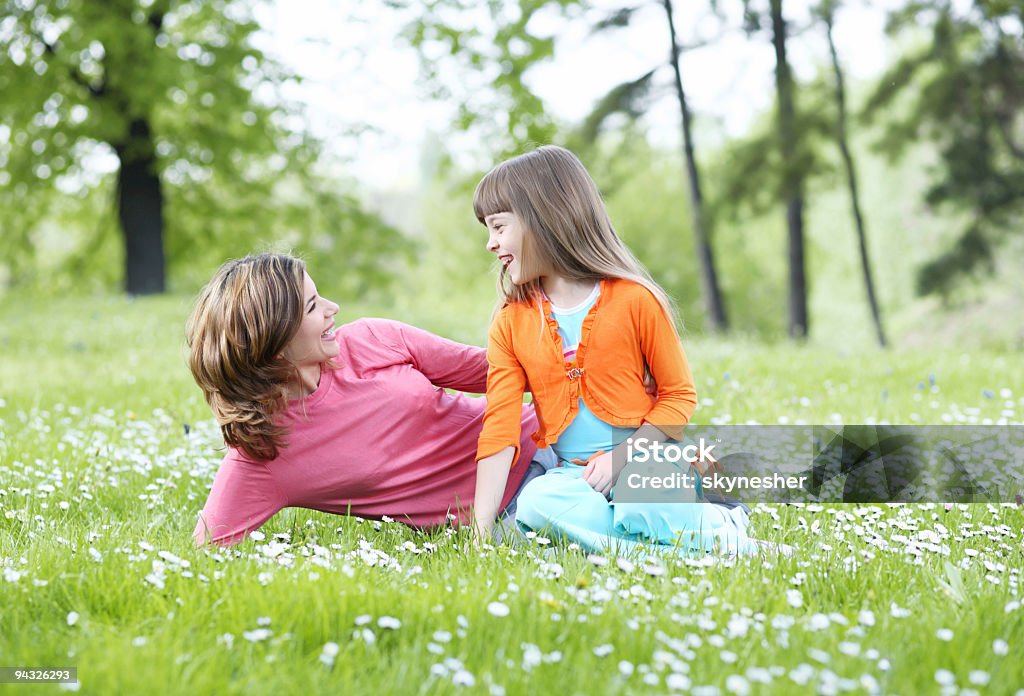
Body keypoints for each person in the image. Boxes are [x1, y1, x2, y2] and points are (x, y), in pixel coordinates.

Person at [471, 145, 757, 555]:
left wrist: (620, 459)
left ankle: (722, 523)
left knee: (642, 501)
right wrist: (481, 530)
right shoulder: (510, 321)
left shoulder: (635, 299)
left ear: (543, 216)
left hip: (648, 461)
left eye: (499, 228)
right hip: (575, 477)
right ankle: (688, 548)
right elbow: (499, 428)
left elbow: (679, 396)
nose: (491, 244)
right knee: (537, 503)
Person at [186, 252, 554, 547]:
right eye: (313, 306)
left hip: (548, 440)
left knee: (611, 457)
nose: (333, 308)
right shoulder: (263, 454)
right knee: (581, 520)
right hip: (506, 514)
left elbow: (499, 371)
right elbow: (205, 552)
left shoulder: (370, 339)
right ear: (276, 344)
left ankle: (614, 479)